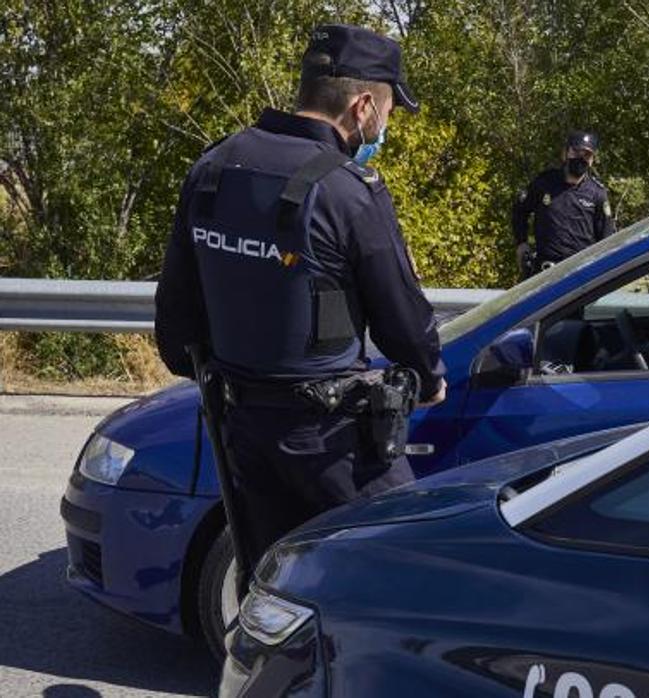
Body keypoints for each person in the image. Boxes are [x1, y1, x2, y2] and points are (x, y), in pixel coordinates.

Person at [153, 24, 446, 572]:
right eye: (387, 111)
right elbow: (400, 313)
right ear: (362, 107)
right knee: (400, 567)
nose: (385, 126)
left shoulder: (214, 168)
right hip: (332, 440)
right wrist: (429, 376)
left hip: (241, 427)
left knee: (276, 578)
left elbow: (176, 311)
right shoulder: (348, 191)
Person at [512, 131, 615, 276]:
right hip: (544, 272)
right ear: (565, 153)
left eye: (586, 155)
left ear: (592, 160)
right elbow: (519, 211)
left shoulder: (597, 194)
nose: (581, 158)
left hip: (581, 275)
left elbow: (606, 238)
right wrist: (521, 243)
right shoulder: (544, 183)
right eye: (576, 151)